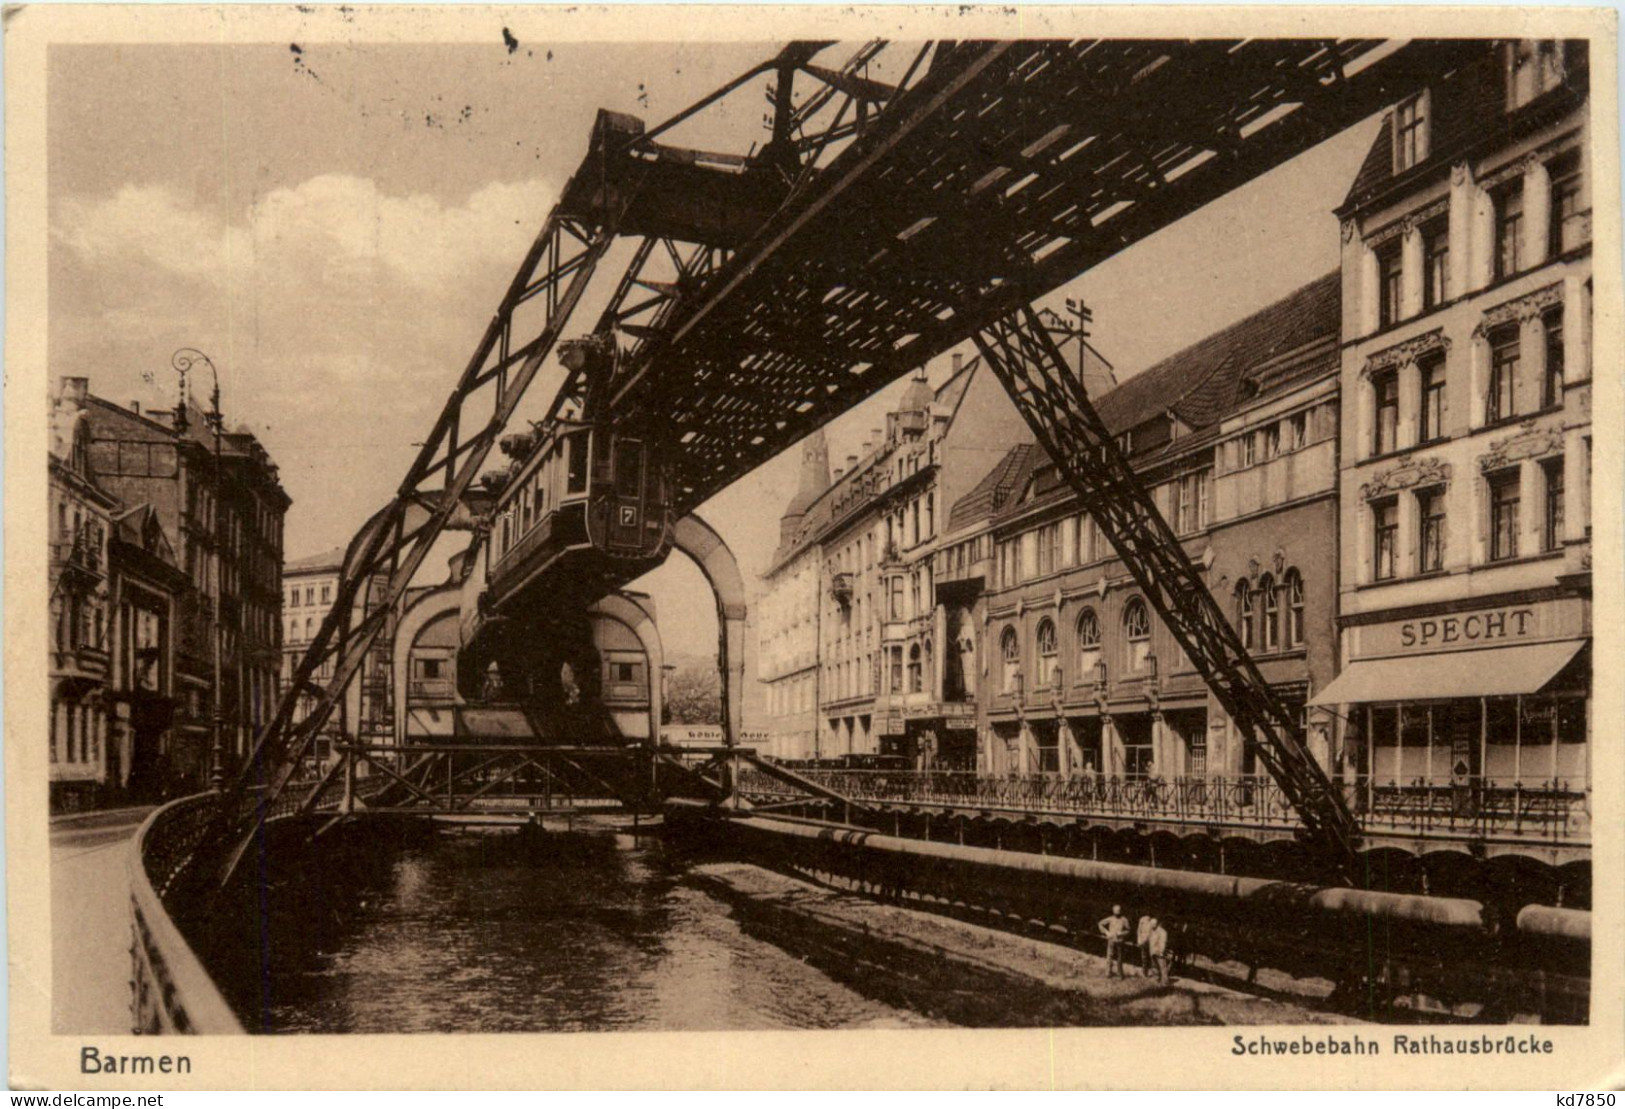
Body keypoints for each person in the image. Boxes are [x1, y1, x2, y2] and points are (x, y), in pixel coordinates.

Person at [1098, 904, 1130, 978]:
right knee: (1109, 956)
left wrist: (1121, 933)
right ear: (1113, 911)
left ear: (1121, 911)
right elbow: (1100, 924)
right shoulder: (1110, 918)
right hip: (1111, 940)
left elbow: (1128, 930)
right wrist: (1106, 932)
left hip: (1120, 941)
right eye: (1116, 910)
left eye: (1118, 910)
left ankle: (1120, 974)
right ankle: (1108, 973)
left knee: (1120, 958)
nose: (1117, 911)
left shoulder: (1124, 920)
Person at [1147, 917, 1171, 985]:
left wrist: (1161, 952)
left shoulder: (1162, 932)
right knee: (1154, 966)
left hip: (1159, 952)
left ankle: (1165, 982)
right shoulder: (1151, 930)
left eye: (1152, 924)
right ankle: (1157, 979)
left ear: (1156, 924)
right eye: (1150, 924)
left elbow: (1163, 943)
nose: (1151, 925)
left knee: (1162, 967)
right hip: (1152, 951)